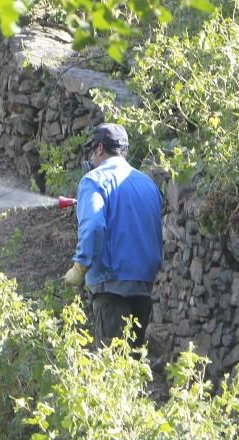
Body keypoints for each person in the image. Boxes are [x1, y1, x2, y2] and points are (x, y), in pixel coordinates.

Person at [63, 123, 163, 349]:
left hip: (111, 285)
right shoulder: (147, 184)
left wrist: (80, 267)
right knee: (132, 364)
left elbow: (95, 225)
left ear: (99, 149)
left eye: (92, 151)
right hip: (143, 285)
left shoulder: (93, 180)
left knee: (111, 367)